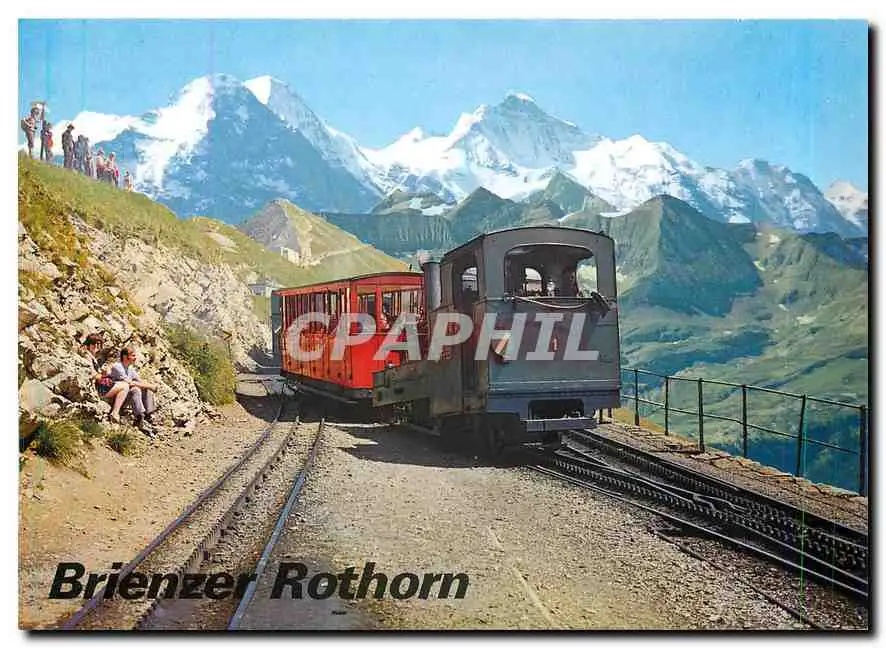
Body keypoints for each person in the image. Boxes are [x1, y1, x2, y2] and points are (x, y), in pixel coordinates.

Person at [108, 346, 160, 435]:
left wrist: (150, 386)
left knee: (146, 388)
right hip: (116, 399)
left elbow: (139, 381)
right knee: (135, 390)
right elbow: (129, 383)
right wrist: (150, 386)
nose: (135, 358)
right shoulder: (118, 367)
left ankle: (149, 416)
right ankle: (139, 418)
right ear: (125, 357)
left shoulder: (130, 368)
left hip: (126, 397)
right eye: (133, 355)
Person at [82, 334, 131, 425]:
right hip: (97, 388)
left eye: (98, 344)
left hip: (99, 385)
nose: (96, 346)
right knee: (125, 386)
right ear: (88, 344)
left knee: (123, 384)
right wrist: (104, 374)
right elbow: (93, 375)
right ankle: (115, 413)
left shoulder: (93, 357)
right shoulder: (87, 356)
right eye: (93, 343)